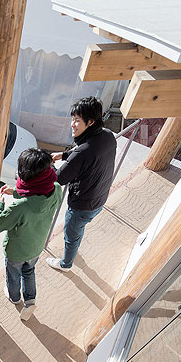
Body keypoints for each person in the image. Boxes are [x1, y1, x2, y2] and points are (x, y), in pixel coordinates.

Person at [47, 97, 116, 272]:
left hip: (82, 206)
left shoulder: (82, 153)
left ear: (90, 122)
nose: (72, 124)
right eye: (72, 119)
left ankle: (66, 264)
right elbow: (87, 153)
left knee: (70, 235)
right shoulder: (107, 136)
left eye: (77, 120)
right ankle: (74, 249)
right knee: (78, 229)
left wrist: (47, 164)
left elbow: (57, 179)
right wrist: (64, 155)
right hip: (100, 198)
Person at [0, 148, 62, 321]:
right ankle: (30, 301)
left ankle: (15, 297)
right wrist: (15, 192)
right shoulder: (55, 189)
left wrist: (0, 204)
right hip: (36, 247)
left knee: (13, 276)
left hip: (16, 252)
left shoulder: (20, 206)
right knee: (29, 271)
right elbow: (37, 196)